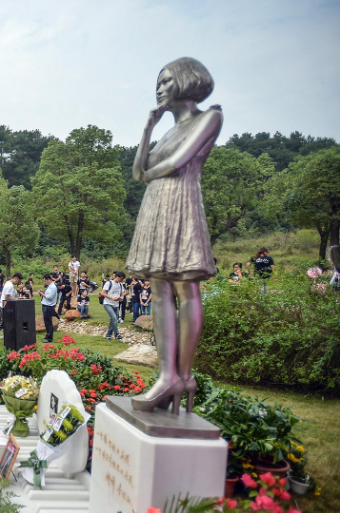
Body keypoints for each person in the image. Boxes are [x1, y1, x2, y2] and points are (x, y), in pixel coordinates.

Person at [126, 57, 222, 413]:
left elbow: (176, 163)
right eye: (158, 81)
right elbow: (139, 172)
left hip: (181, 201)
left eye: (166, 80)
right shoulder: (166, 130)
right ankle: (167, 375)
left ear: (186, 80)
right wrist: (149, 128)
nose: (159, 87)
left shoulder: (210, 116)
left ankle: (183, 373)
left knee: (185, 285)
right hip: (155, 205)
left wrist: (153, 173)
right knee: (158, 288)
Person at [100, 271, 126, 341]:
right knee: (114, 318)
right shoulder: (109, 283)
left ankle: (108, 335)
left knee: (113, 320)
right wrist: (112, 298)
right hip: (108, 303)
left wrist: (122, 297)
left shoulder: (120, 285)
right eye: (121, 278)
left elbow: (122, 293)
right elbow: (103, 293)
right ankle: (117, 334)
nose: (122, 280)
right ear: (117, 277)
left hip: (116, 304)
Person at [38, 274, 59, 343]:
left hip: (48, 306)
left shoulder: (52, 287)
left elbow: (49, 297)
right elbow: (47, 295)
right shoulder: (50, 286)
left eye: (45, 281)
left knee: (48, 323)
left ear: (48, 279)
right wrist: (43, 292)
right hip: (46, 305)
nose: (45, 282)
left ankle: (49, 338)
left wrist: (41, 293)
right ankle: (48, 335)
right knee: (46, 322)